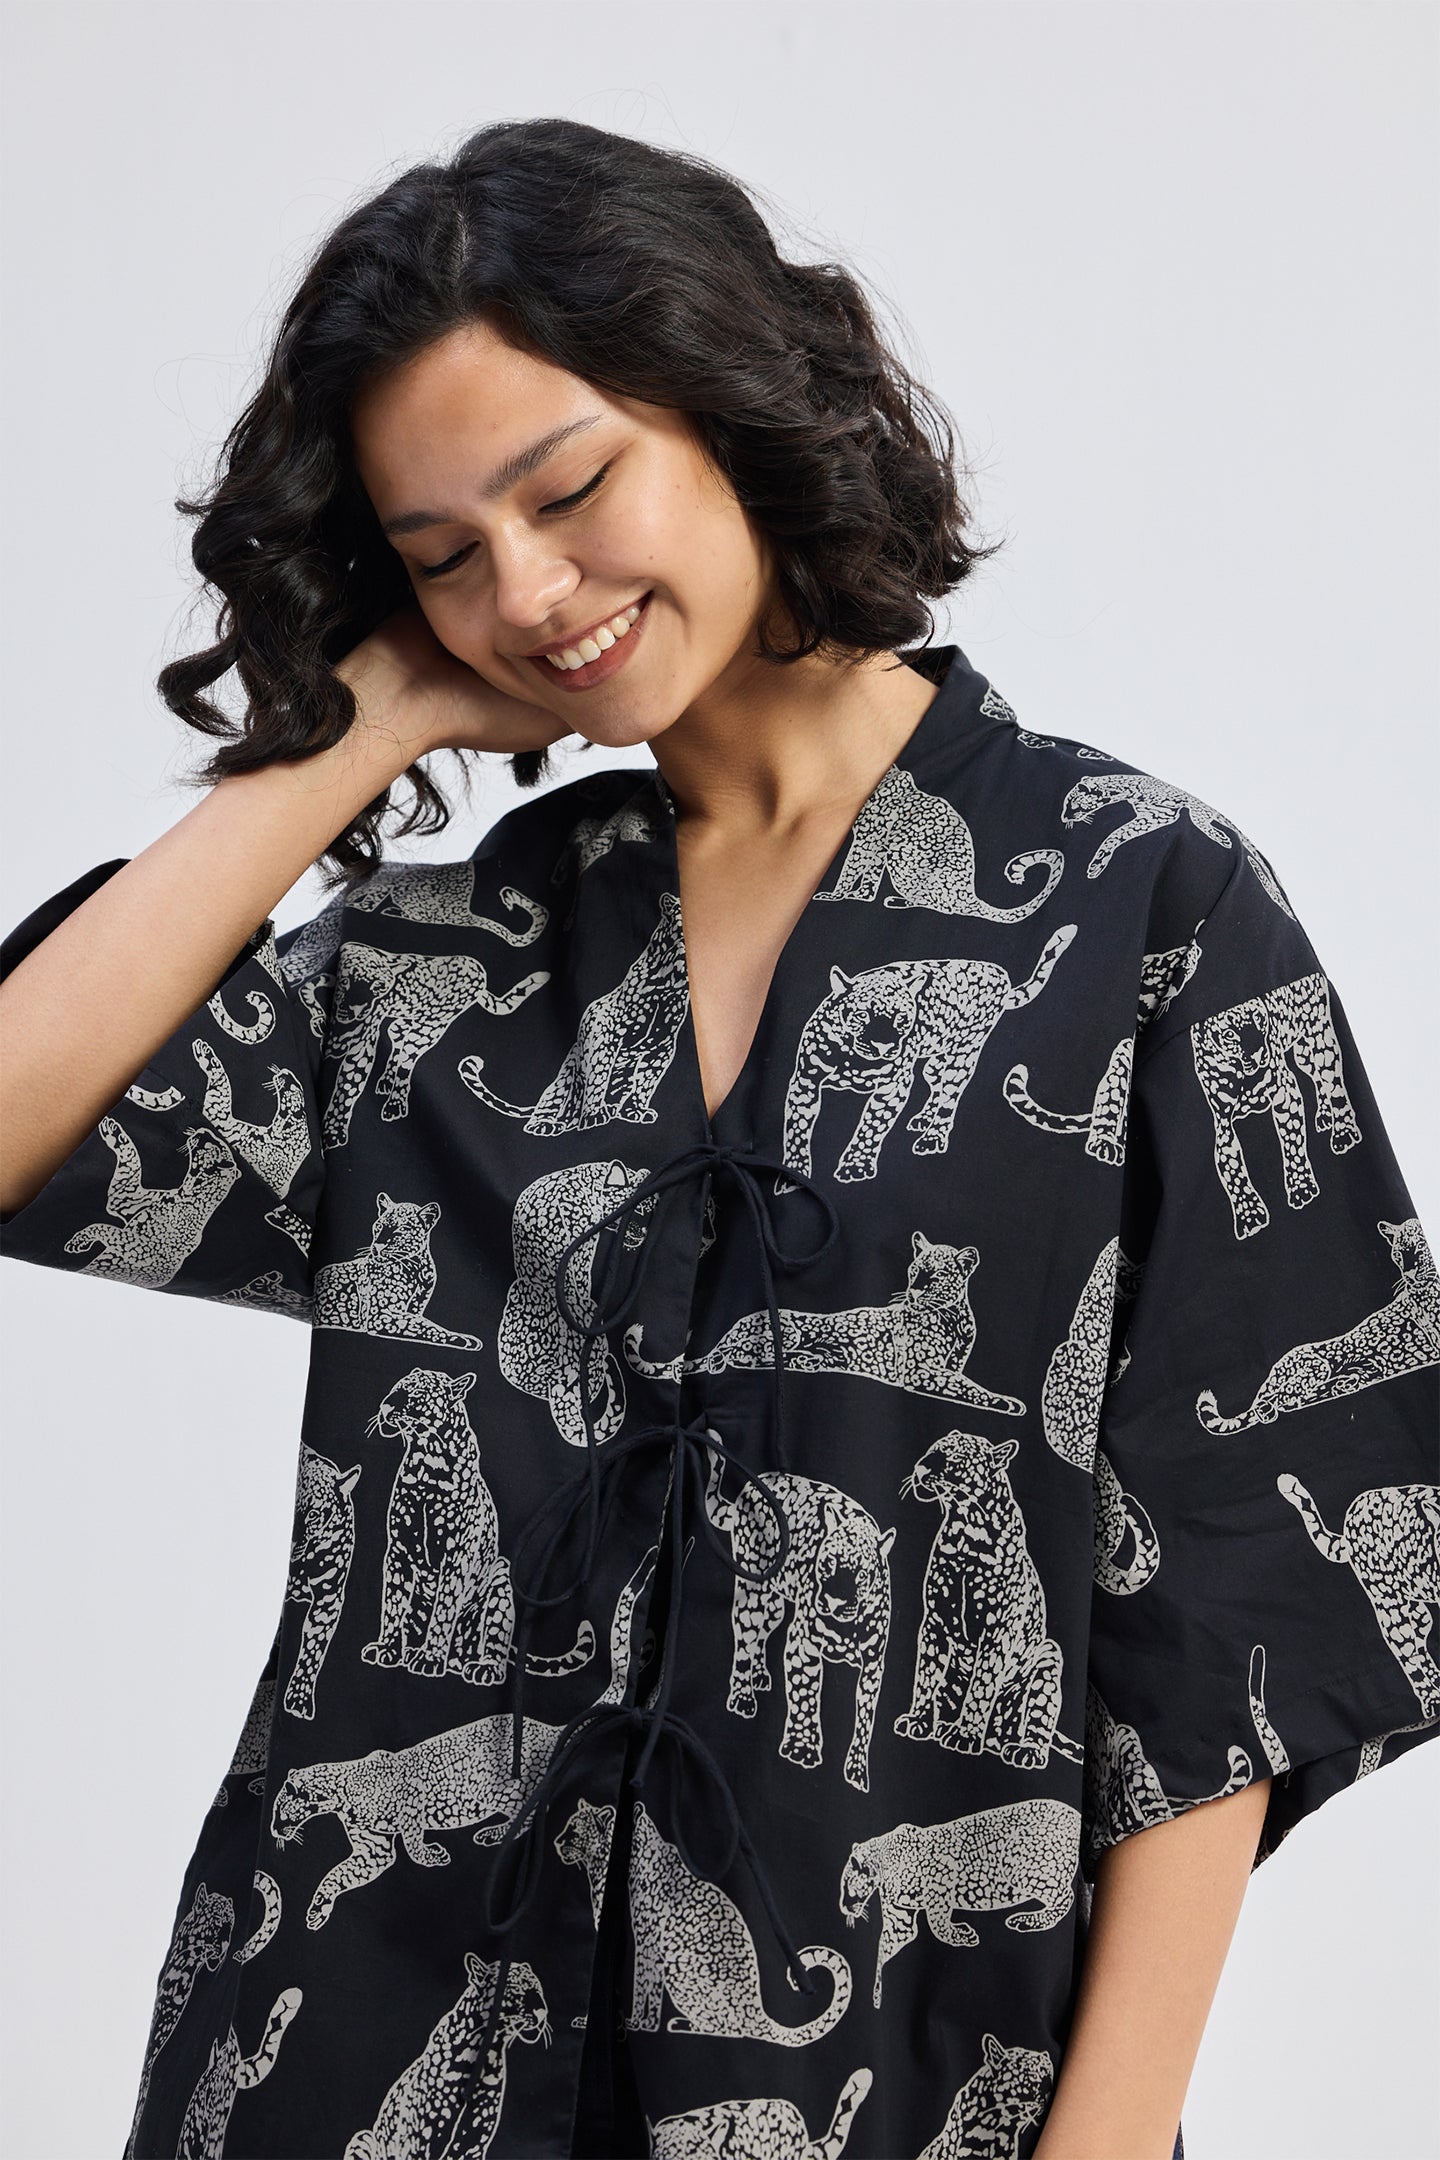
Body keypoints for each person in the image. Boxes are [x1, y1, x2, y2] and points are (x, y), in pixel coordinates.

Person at [1, 117, 1434, 2160]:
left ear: (730, 396)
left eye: (570, 489)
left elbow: (1243, 1585)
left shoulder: (1137, 904)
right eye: (441, 559)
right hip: (355, 2069)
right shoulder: (455, 959)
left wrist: (1108, 2131)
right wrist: (353, 740)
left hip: (910, 2088)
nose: (530, 593)